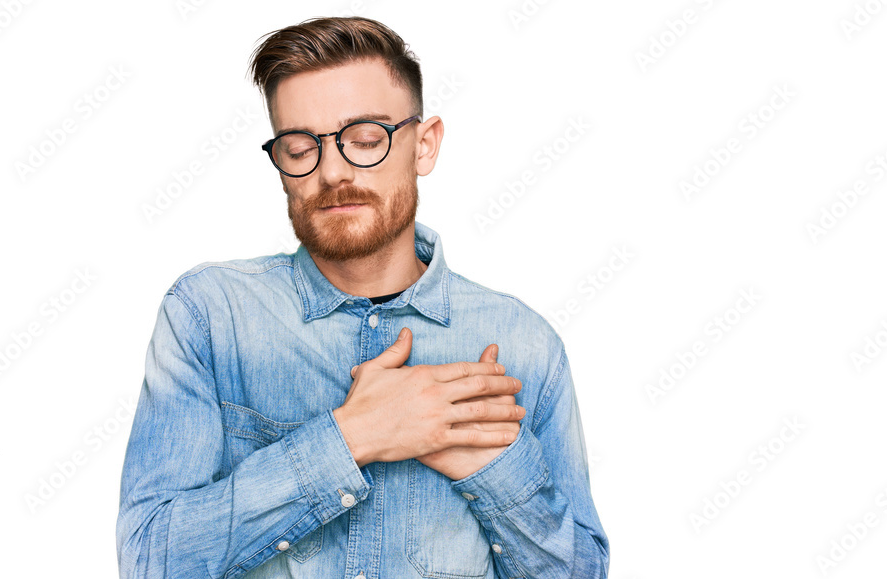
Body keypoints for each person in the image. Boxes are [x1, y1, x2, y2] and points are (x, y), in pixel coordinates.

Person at [116, 16, 609, 578]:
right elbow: (150, 560)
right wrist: (354, 437)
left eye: (365, 141)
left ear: (424, 146)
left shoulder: (524, 343)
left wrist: (493, 470)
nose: (332, 172)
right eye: (300, 148)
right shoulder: (209, 314)